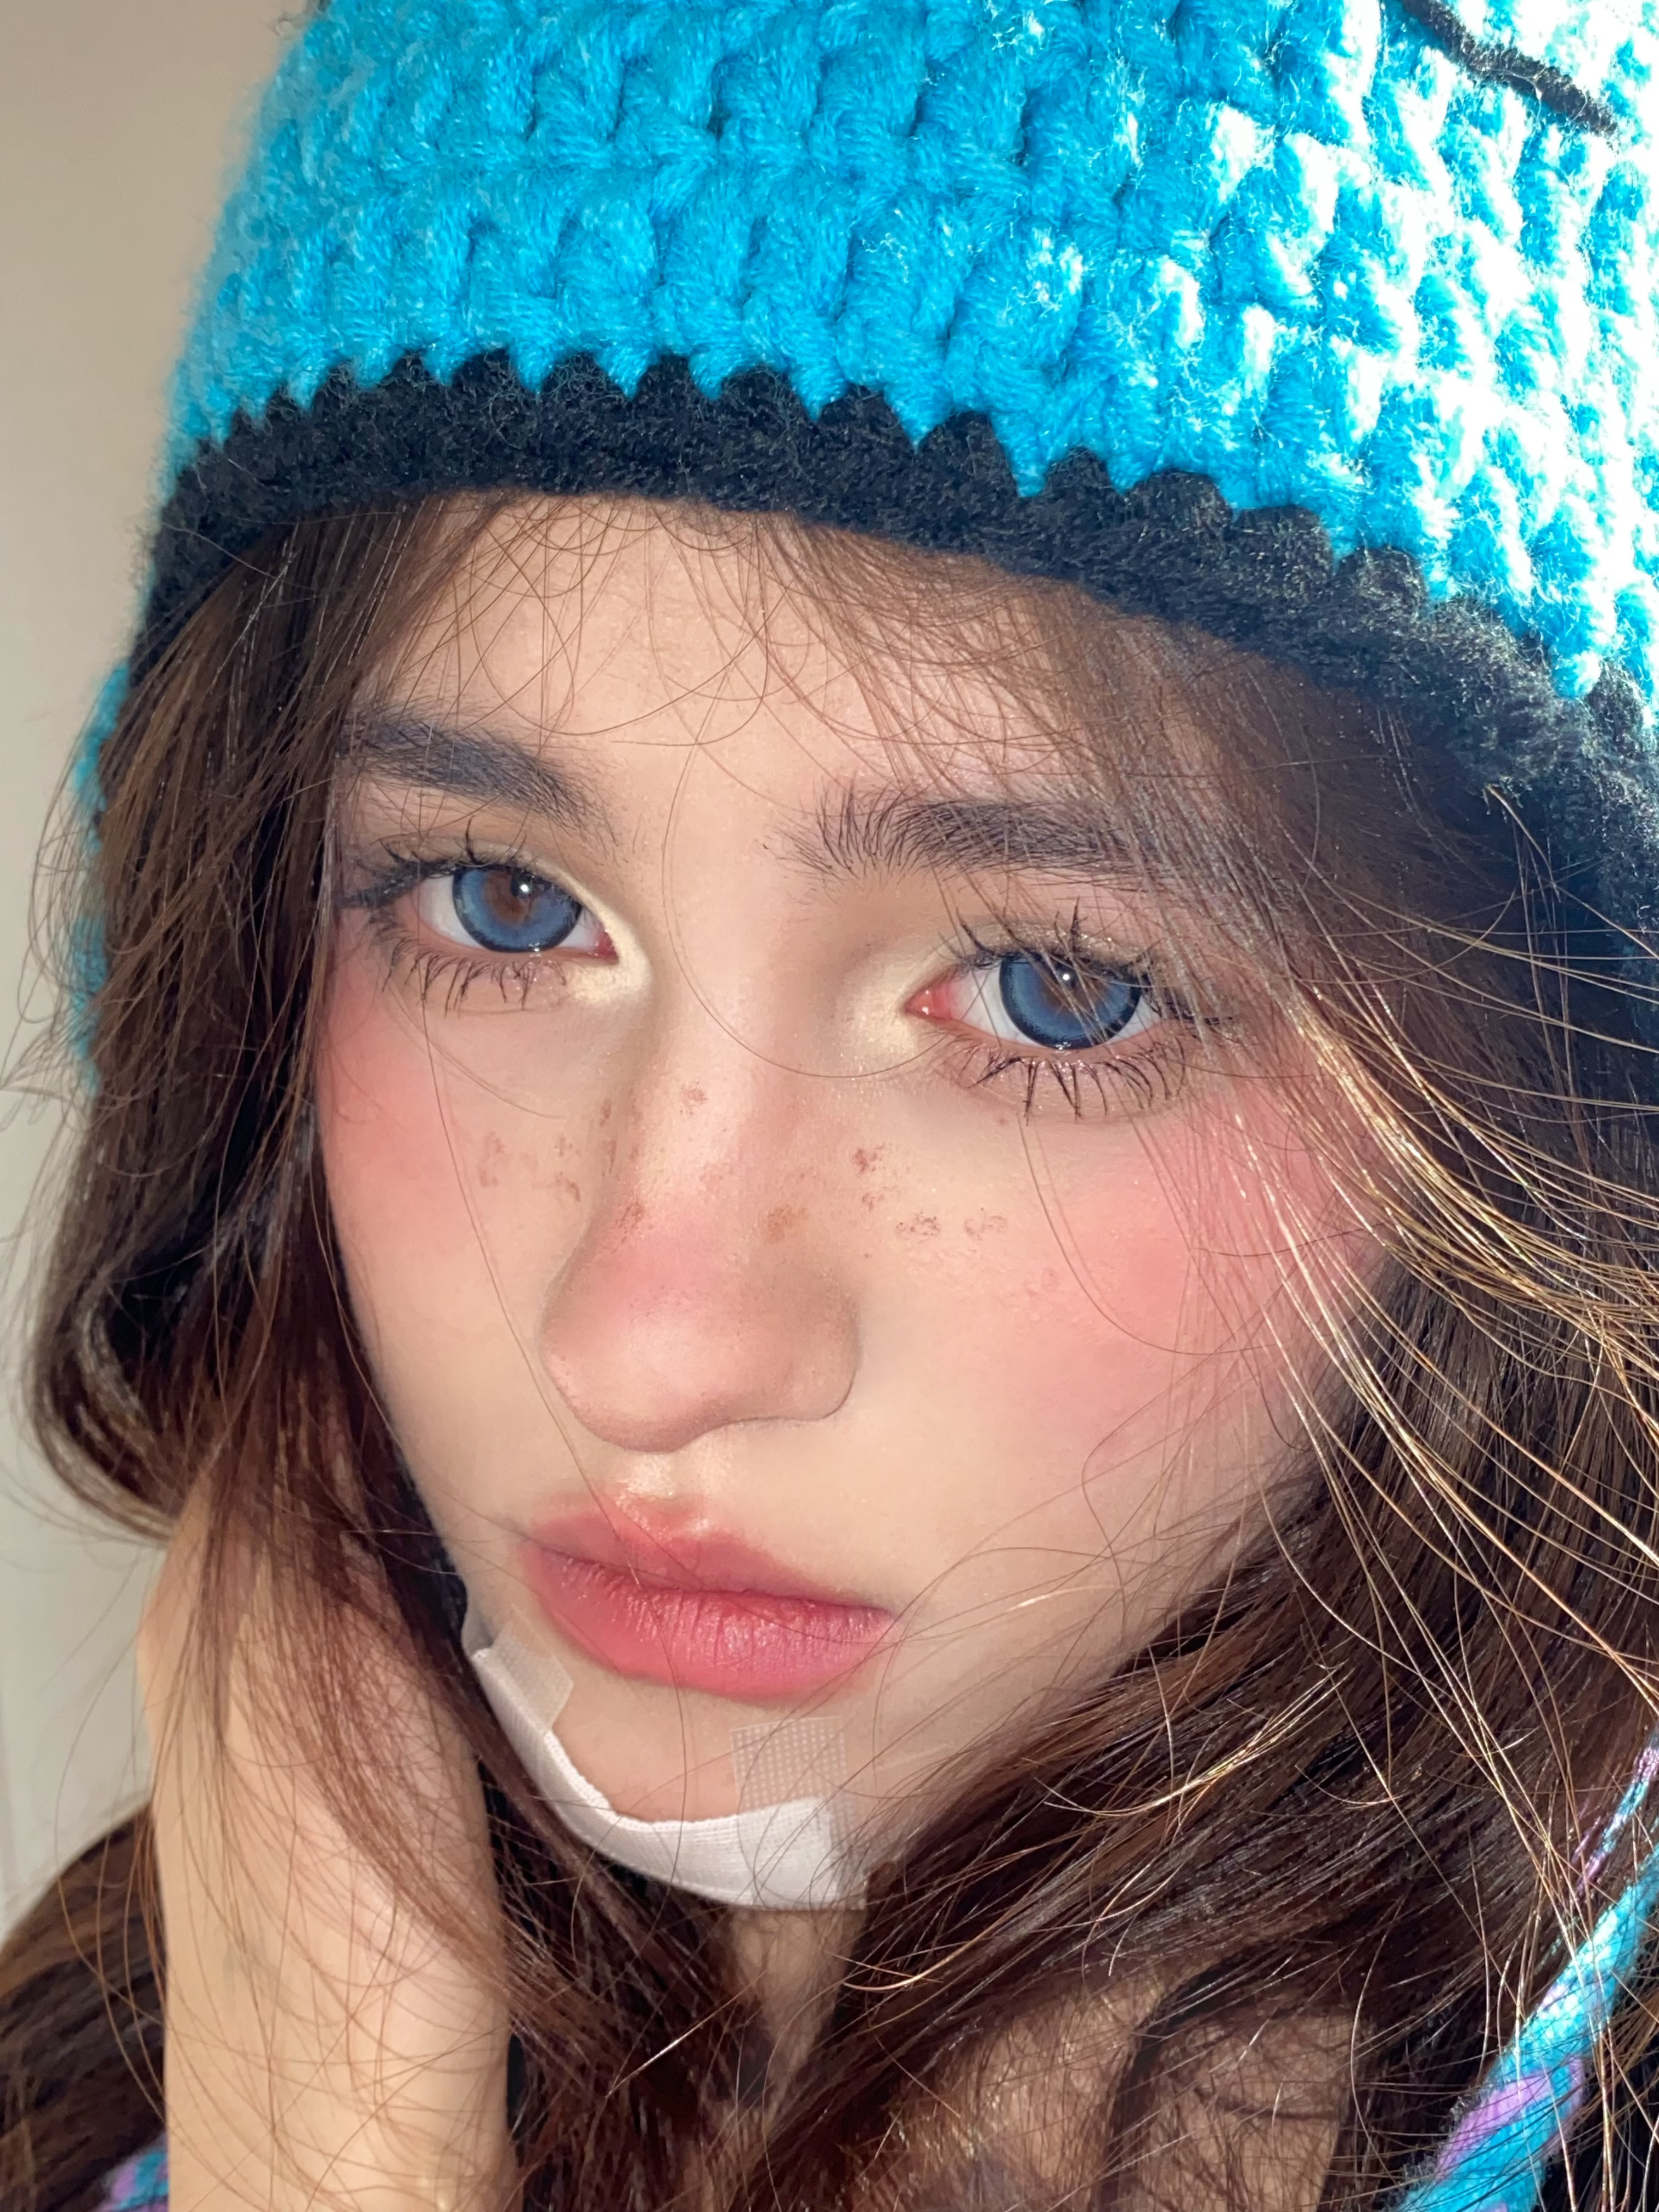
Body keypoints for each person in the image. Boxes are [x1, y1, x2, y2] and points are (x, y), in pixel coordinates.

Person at [5, 0, 1659, 2206]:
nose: (644, 1341)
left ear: (1547, 1099)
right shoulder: (88, 2082)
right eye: (503, 907)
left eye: (1057, 994)